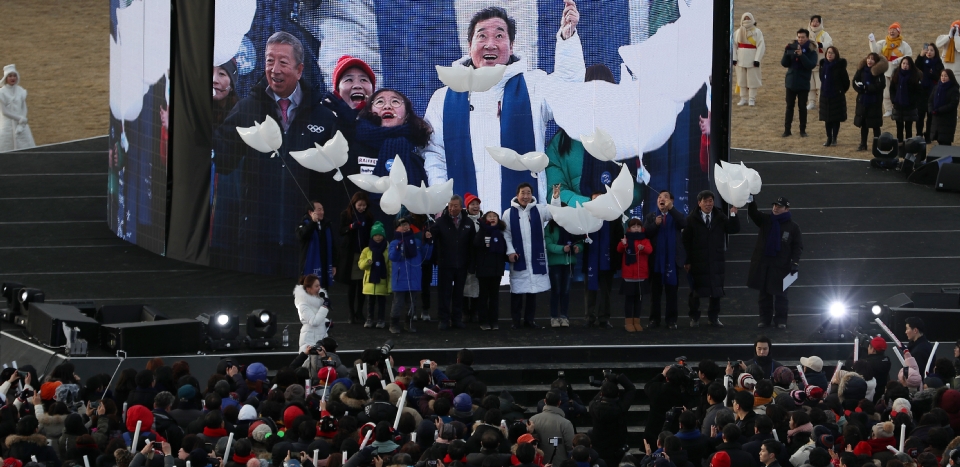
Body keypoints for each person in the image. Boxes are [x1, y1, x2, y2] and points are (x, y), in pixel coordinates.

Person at [423, 3, 585, 214]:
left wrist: (567, 40)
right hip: (463, 225)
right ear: (469, 44)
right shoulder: (443, 98)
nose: (490, 44)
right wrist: (442, 202)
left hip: (524, 225)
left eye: (499, 36)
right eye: (482, 36)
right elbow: (434, 155)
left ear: (512, 44)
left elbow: (569, 93)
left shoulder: (534, 85)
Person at [213, 32, 339, 276]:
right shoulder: (248, 108)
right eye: (270, 61)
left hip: (305, 239)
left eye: (283, 62)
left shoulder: (321, 116)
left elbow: (331, 186)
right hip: (256, 239)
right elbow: (224, 161)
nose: (274, 69)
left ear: (299, 69)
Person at [544, 64, 642, 209]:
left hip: (617, 228)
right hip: (576, 226)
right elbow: (554, 191)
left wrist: (614, 203)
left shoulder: (627, 138)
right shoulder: (561, 143)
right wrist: (590, 205)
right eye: (591, 93)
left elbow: (638, 187)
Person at [357, 88, 432, 226]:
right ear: (369, 112)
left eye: (395, 102)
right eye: (379, 102)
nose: (387, 106)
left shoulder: (420, 160)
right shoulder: (356, 150)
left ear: (407, 115)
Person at [503, 183, 562, 329]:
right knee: (517, 292)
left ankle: (529, 320)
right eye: (523, 193)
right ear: (517, 195)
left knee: (532, 292)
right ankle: (516, 321)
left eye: (528, 193)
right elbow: (506, 235)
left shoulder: (540, 210)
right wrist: (510, 252)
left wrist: (555, 197)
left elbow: (554, 213)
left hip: (534, 257)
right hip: (519, 257)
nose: (526, 196)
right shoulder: (508, 213)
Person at [683, 190, 740, 328]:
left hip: (716, 260)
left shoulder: (720, 216)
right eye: (705, 201)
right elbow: (686, 242)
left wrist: (733, 214)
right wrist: (687, 261)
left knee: (716, 291)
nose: (709, 204)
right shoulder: (691, 219)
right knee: (695, 291)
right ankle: (694, 317)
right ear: (699, 203)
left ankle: (713, 317)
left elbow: (733, 229)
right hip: (698, 261)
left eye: (710, 201)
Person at [746, 196, 802, 329]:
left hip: (783, 267)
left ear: (786, 209)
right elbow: (753, 214)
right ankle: (764, 319)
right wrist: (751, 200)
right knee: (764, 294)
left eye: (779, 206)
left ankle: (781, 320)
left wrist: (795, 263)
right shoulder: (766, 220)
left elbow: (797, 246)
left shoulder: (793, 227)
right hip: (764, 264)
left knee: (782, 295)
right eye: (774, 205)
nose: (775, 208)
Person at [321, 55, 375, 180]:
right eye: (348, 80)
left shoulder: (384, 125)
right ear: (337, 92)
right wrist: (345, 124)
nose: (357, 85)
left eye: (364, 80)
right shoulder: (324, 123)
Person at [428, 195, 477, 330]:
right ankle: (443, 319)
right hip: (445, 265)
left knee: (459, 294)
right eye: (450, 206)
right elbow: (432, 239)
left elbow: (472, 246)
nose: (452, 208)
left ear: (461, 206)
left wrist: (471, 264)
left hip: (462, 264)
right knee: (444, 294)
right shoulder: (440, 222)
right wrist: (427, 234)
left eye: (455, 206)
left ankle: (457, 319)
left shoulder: (468, 223)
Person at [643, 191, 686, 329]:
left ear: (671, 201)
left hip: (673, 260)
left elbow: (683, 223)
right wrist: (655, 224)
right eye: (659, 197)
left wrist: (671, 209)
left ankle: (671, 320)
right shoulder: (651, 216)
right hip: (655, 261)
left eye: (665, 197)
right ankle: (654, 320)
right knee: (655, 293)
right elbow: (646, 234)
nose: (662, 199)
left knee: (672, 293)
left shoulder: (676, 215)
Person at [583, 195, 624, 329]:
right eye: (595, 199)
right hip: (591, 261)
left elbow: (619, 236)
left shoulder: (613, 216)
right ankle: (589, 317)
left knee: (606, 292)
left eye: (600, 199)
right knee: (590, 291)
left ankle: (604, 318)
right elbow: (578, 233)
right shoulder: (586, 216)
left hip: (608, 260)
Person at [388, 217, 433, 334]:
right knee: (397, 303)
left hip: (414, 278)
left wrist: (429, 242)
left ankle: (409, 324)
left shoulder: (417, 242)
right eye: (402, 225)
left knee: (412, 303)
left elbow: (426, 256)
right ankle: (394, 324)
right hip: (400, 278)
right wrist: (398, 249)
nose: (405, 227)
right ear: (397, 228)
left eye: (407, 224)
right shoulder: (394, 243)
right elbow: (392, 257)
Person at [337, 192, 373, 324]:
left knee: (362, 284)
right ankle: (351, 312)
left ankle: (360, 311)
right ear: (354, 203)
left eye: (364, 205)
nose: (362, 207)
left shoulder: (368, 217)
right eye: (359, 205)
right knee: (352, 284)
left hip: (363, 253)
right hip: (351, 254)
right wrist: (351, 227)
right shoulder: (346, 215)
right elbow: (341, 230)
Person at [587, 372, 636, 466]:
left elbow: (597, 398)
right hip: (616, 449)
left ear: (601, 393)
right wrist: (618, 377)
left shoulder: (593, 407)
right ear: (618, 394)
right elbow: (631, 388)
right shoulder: (620, 409)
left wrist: (607, 384)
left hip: (599, 447)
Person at [473, 211, 508, 331]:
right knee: (483, 296)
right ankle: (483, 321)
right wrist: (483, 229)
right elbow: (476, 244)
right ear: (485, 219)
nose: (492, 218)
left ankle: (494, 321)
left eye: (495, 217)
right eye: (490, 217)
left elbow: (504, 250)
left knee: (494, 296)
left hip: (497, 269)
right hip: (483, 269)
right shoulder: (481, 231)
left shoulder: (502, 232)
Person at [780, 29, 819, 137]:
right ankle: (787, 130)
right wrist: (786, 52)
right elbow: (784, 63)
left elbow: (811, 65)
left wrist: (801, 55)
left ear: (807, 37)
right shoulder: (792, 47)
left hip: (803, 82)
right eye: (799, 37)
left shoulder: (811, 50)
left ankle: (802, 130)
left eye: (802, 37)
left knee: (802, 107)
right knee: (789, 107)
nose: (800, 39)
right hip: (791, 82)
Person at [869, 23, 913, 117]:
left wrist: (899, 60)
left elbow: (909, 55)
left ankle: (897, 107)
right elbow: (875, 51)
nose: (892, 31)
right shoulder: (883, 43)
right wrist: (872, 41)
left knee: (897, 90)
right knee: (886, 91)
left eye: (894, 30)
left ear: (898, 32)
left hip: (897, 71)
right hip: (885, 70)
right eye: (890, 29)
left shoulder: (903, 44)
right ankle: (888, 109)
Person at [617, 218, 653, 332]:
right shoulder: (625, 239)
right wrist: (623, 244)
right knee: (629, 300)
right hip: (628, 276)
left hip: (641, 275)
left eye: (638, 226)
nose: (636, 228)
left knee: (639, 300)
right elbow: (618, 249)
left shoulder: (645, 240)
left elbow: (650, 250)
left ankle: (637, 322)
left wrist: (643, 248)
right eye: (634, 226)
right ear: (629, 228)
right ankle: (628, 322)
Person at [545, 217, 581, 328]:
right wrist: (562, 249)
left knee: (566, 291)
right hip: (555, 263)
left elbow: (580, 242)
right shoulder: (550, 227)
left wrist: (578, 247)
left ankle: (564, 316)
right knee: (556, 291)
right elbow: (548, 244)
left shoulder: (573, 227)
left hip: (569, 263)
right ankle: (554, 317)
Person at [853, 53, 889, 151]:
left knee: (875, 125)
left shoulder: (879, 73)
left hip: (874, 102)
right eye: (868, 59)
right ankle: (863, 144)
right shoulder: (861, 70)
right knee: (863, 124)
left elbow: (880, 86)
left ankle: (878, 145)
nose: (869, 61)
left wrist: (867, 87)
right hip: (862, 101)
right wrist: (860, 88)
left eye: (872, 59)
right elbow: (855, 81)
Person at [297, 201, 337, 288]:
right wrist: (312, 222)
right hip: (310, 264)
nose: (322, 212)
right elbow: (301, 236)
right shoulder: (304, 223)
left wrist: (333, 264)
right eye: (319, 210)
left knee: (323, 292)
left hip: (325, 264)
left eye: (322, 209)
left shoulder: (327, 224)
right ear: (311, 212)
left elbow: (333, 245)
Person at [359, 221, 391, 328]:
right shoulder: (367, 250)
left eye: (380, 235)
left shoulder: (387, 250)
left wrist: (390, 284)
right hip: (370, 282)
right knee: (370, 303)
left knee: (382, 303)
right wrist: (367, 262)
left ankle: (381, 320)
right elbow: (360, 265)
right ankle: (369, 319)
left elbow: (390, 266)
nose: (378, 237)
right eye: (376, 235)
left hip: (382, 281)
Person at [529, 391, 575, 463]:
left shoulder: (532, 420)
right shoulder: (566, 423)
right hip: (559, 463)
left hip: (538, 462)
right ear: (559, 402)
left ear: (544, 401)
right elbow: (570, 447)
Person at [818, 46, 850, 147]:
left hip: (836, 96)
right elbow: (822, 78)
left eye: (832, 53)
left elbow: (846, 82)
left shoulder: (840, 67)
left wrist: (839, 91)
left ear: (836, 55)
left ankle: (834, 138)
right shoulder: (823, 65)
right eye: (828, 52)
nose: (829, 54)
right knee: (827, 119)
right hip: (825, 96)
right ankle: (829, 138)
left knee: (835, 119)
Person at [0, 64, 36, 152]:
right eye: (10, 76)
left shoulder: (21, 91)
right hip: (7, 125)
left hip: (21, 125)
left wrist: (22, 122)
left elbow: (24, 107)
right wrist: (19, 118)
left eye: (14, 75)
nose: (12, 78)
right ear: (6, 78)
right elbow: (4, 111)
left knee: (25, 146)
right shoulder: (2, 92)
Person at [733, 13, 765, 106]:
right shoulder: (738, 32)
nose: (746, 20)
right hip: (740, 59)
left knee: (752, 81)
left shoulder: (757, 32)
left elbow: (761, 46)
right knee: (741, 80)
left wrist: (757, 59)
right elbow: (734, 45)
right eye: (745, 18)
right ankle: (743, 98)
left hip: (752, 59)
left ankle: (752, 98)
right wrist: (734, 58)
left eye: (748, 18)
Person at [890, 57, 923, 142]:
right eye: (903, 63)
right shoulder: (896, 74)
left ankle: (908, 147)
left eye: (907, 64)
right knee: (899, 128)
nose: (905, 66)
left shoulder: (915, 75)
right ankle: (900, 145)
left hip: (909, 106)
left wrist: (912, 101)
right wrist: (893, 99)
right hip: (898, 105)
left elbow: (919, 91)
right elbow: (892, 88)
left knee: (908, 128)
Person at [916, 45, 944, 142]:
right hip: (922, 92)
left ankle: (928, 135)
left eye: (931, 50)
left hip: (933, 92)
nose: (929, 52)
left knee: (930, 116)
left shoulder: (939, 64)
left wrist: (932, 73)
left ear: (935, 52)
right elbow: (916, 66)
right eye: (927, 50)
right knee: (920, 115)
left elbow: (939, 77)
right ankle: (919, 134)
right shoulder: (922, 61)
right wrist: (920, 55)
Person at [463, 193, 483, 324]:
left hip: (480, 259)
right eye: (472, 204)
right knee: (464, 285)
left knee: (477, 285)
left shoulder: (484, 220)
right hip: (465, 258)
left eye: (477, 204)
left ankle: (475, 312)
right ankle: (465, 312)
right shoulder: (462, 221)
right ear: (467, 206)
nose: (475, 206)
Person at [807, 16, 833, 110]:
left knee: (820, 85)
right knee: (810, 85)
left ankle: (821, 103)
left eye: (817, 21)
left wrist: (820, 45)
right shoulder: (807, 33)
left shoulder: (824, 34)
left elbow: (830, 44)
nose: (814, 23)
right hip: (809, 63)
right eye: (813, 21)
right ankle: (811, 102)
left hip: (820, 63)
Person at [929, 69, 959, 146]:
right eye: (942, 76)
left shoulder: (954, 89)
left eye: (946, 76)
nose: (943, 77)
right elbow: (930, 100)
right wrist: (931, 109)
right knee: (939, 140)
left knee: (945, 142)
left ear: (950, 77)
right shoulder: (936, 87)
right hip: (936, 119)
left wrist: (939, 110)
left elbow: (953, 104)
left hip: (947, 120)